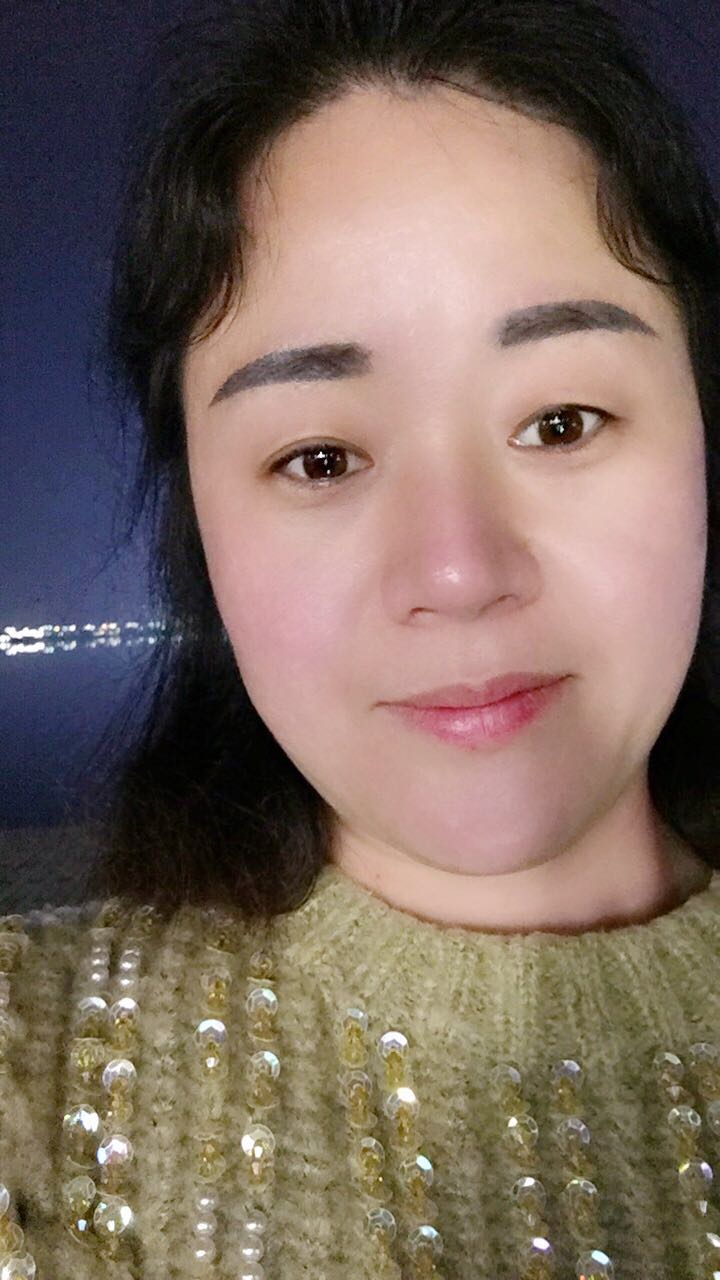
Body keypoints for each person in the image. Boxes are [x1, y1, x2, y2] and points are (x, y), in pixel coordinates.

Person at [2, 0, 720, 1275]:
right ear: (199, 523)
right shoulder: (38, 1071)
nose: (458, 570)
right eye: (322, 457)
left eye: (560, 422)